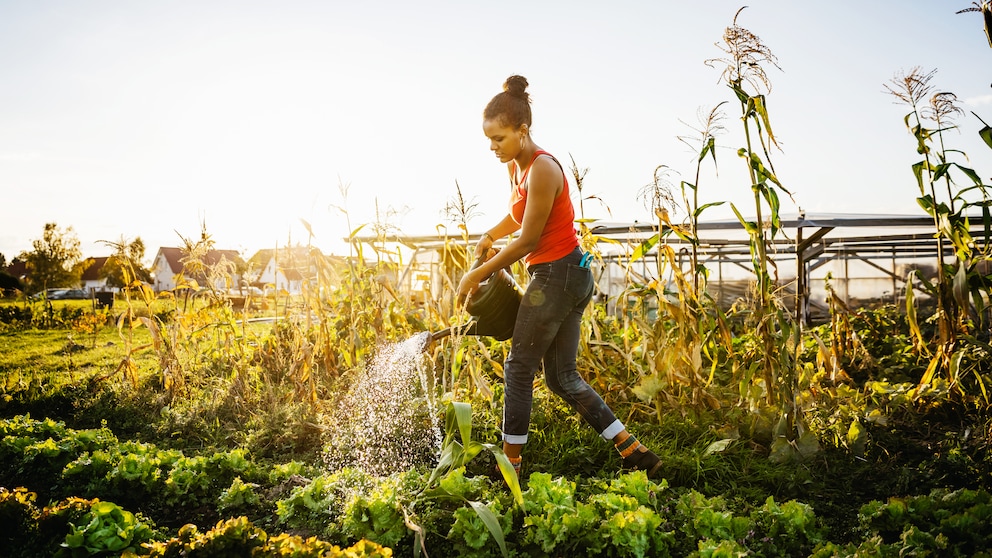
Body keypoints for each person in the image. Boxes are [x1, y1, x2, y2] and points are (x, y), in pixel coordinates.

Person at [456, 75, 662, 479]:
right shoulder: (517, 168)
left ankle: (509, 466)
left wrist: (476, 274)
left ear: (522, 130)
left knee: (518, 368)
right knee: (561, 378)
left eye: (498, 138)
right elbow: (519, 217)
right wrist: (489, 236)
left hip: (558, 276)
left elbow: (529, 238)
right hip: (564, 276)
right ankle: (635, 451)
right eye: (489, 139)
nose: (492, 147)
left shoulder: (543, 169)